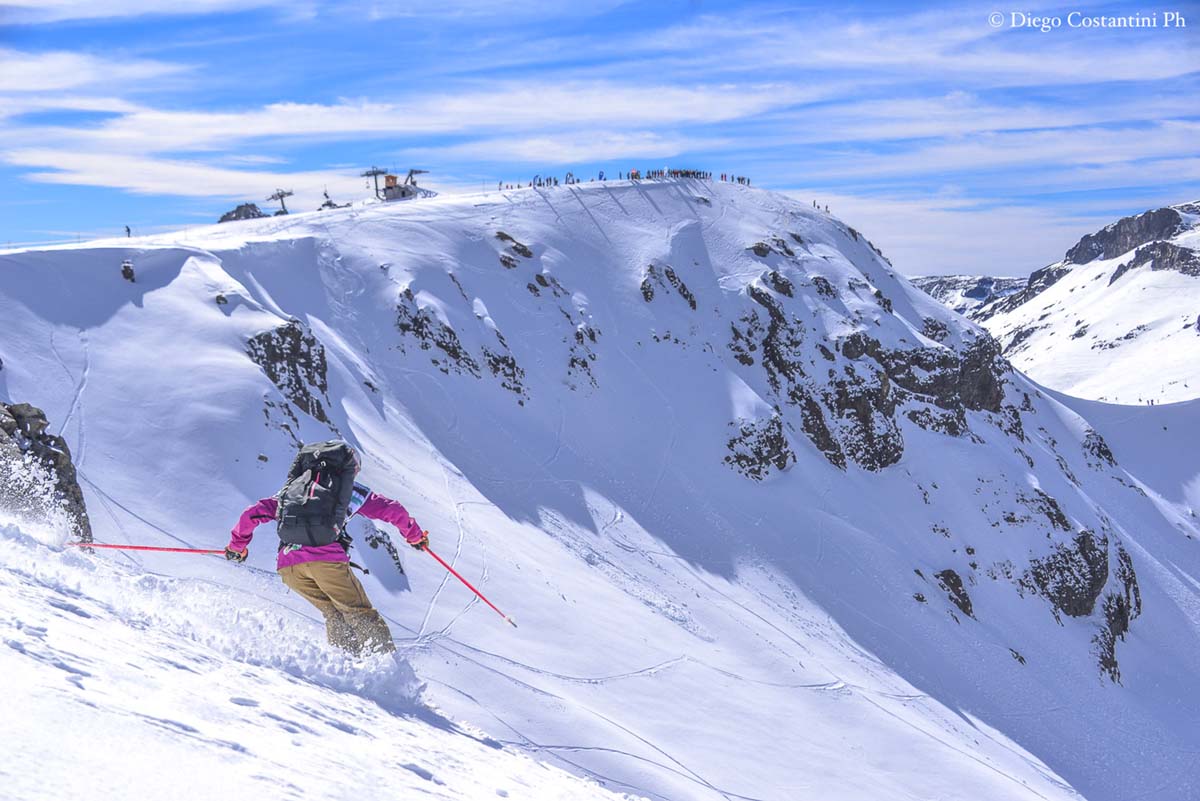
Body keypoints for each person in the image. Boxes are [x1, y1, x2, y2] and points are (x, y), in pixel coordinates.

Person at [224, 441, 428, 656]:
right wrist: (414, 536)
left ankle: (345, 664)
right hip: (326, 560)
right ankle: (387, 669)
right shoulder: (347, 490)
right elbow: (392, 510)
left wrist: (237, 547)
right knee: (360, 614)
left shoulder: (291, 490)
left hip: (289, 567)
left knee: (334, 614)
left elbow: (252, 514)